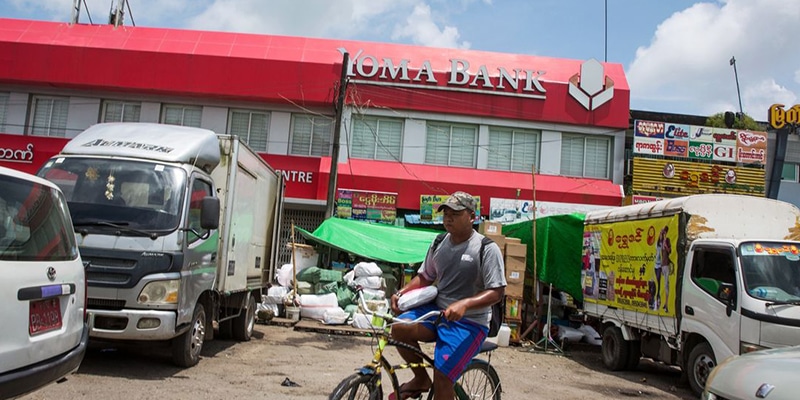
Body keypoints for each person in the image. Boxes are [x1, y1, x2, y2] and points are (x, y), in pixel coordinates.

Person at [389, 191, 506, 400]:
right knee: (398, 328)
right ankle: (421, 379)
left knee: (442, 377)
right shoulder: (439, 242)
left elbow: (497, 292)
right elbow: (426, 276)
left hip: (470, 322)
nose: (448, 217)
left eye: (455, 213)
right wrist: (401, 292)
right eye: (446, 213)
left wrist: (465, 304)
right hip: (437, 311)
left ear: (472, 216)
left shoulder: (486, 249)